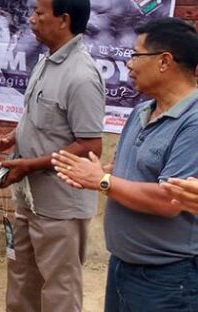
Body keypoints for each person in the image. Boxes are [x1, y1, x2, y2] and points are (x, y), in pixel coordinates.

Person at [53, 18, 198, 311]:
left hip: (167, 278)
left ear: (164, 61)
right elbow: (134, 171)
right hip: (123, 265)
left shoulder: (193, 122)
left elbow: (170, 199)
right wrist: (101, 172)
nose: (129, 64)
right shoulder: (142, 111)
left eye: (135, 54)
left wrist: (103, 182)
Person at [0, 0, 105, 312]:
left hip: (60, 207)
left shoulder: (82, 76)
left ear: (63, 20)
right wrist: (13, 136)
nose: (32, 19)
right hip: (29, 199)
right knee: (22, 283)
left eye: (39, 12)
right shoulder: (46, 61)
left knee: (59, 292)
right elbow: (39, 116)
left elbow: (91, 144)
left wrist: (31, 165)